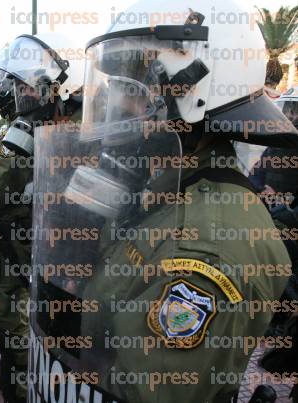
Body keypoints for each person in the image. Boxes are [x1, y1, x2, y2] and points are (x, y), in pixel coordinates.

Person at [26, 2, 298, 403]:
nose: (117, 103)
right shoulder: (169, 190)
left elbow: (145, 392)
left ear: (196, 90)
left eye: (135, 86)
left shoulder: (208, 246)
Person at [0, 32, 85, 402]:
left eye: (22, 86)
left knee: (28, 343)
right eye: (15, 86)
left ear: (50, 87)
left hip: (52, 262)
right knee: (8, 334)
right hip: (15, 250)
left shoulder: (77, 124)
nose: (15, 94)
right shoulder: (27, 127)